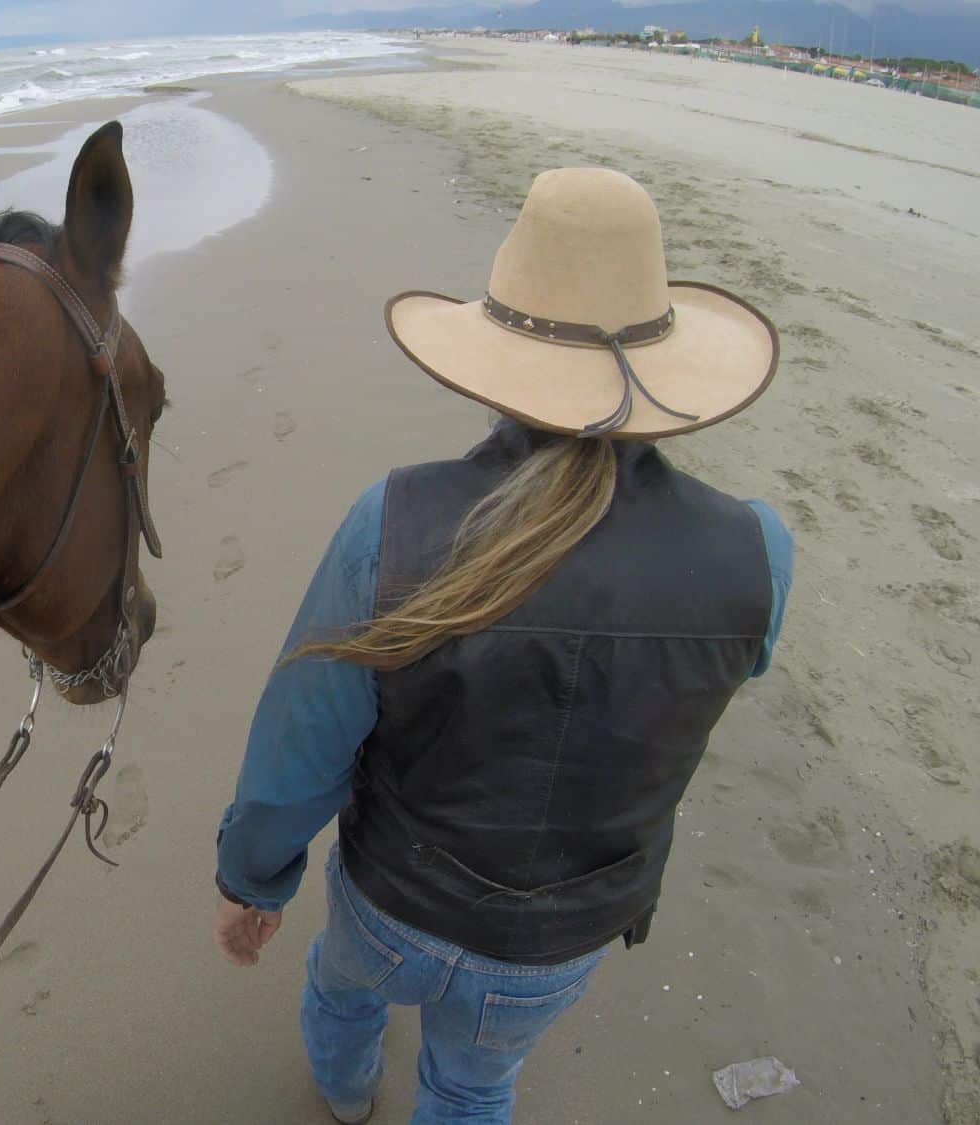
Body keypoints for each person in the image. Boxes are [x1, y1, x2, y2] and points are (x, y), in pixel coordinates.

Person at [210, 168, 793, 1124]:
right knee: (474, 1083)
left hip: (391, 899)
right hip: (566, 936)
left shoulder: (392, 523)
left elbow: (301, 745)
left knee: (343, 992)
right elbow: (732, 661)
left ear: (502, 351)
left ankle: (348, 1101)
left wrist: (251, 876)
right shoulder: (755, 552)